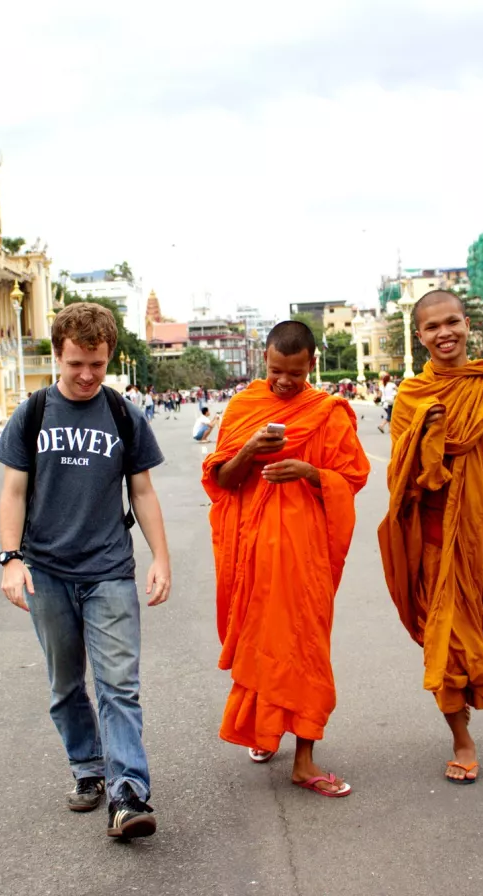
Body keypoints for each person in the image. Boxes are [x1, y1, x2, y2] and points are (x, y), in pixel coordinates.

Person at [0, 301, 171, 840]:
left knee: (119, 685)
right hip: (46, 571)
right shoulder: (33, 413)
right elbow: (14, 491)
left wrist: (161, 556)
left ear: (109, 355)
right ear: (58, 355)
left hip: (109, 570)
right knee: (66, 684)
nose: (87, 375)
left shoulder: (121, 414)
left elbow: (141, 490)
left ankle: (128, 791)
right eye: (76, 364)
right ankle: (88, 768)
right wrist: (11, 558)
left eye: (97, 363)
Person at [379, 290, 483, 785]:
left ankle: (468, 690)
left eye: (451, 322)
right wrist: (425, 437)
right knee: (446, 643)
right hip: (434, 538)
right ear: (419, 336)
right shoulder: (411, 397)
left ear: (467, 324)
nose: (443, 333)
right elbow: (403, 476)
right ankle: (461, 737)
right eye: (432, 327)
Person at [203, 321, 370, 797]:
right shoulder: (244, 408)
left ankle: (305, 759)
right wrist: (251, 448)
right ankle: (265, 731)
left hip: (305, 558)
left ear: (311, 366)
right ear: (266, 361)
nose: (283, 382)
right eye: (276, 370)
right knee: (263, 647)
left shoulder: (328, 413)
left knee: (305, 650)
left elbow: (352, 477)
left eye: (294, 375)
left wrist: (310, 472)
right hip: (253, 559)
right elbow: (223, 482)